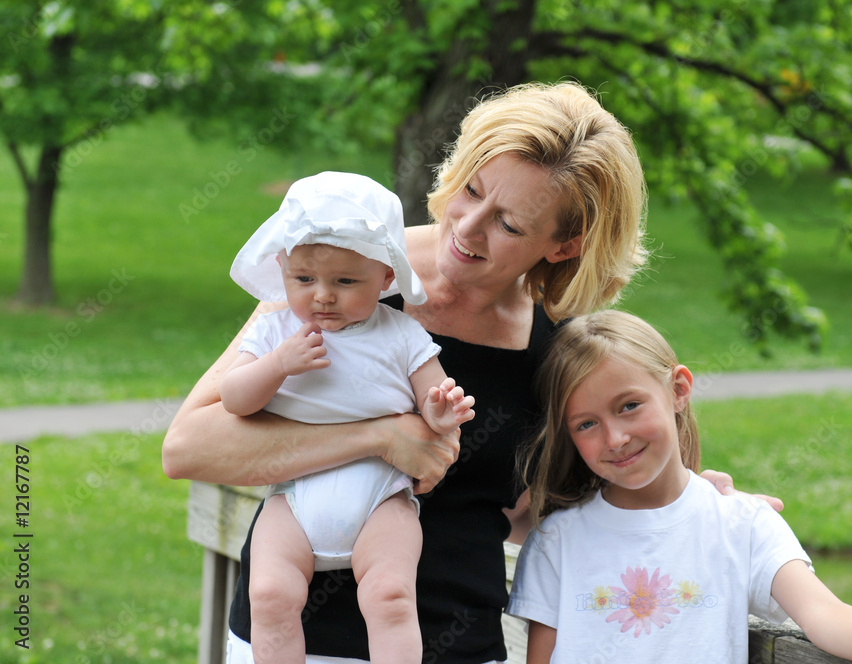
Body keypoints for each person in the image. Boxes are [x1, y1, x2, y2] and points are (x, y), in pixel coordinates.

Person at [162, 81, 753, 664]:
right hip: (290, 639)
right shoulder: (343, 270)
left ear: (564, 246)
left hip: (459, 644)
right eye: (471, 189)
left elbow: (546, 502)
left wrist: (687, 499)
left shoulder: (557, 344)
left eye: (510, 224)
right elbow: (188, 448)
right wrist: (378, 437)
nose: (467, 227)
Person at [506, 309, 852, 664]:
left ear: (678, 390)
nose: (615, 438)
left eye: (629, 405)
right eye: (587, 424)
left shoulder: (744, 525)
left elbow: (822, 612)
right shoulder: (556, 541)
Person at [218, 171, 475, 663]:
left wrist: (442, 413)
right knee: (270, 595)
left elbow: (433, 403)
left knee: (391, 596)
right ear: (281, 267)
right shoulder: (277, 330)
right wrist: (277, 366)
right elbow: (234, 398)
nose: (322, 296)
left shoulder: (400, 334)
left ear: (385, 278)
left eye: (345, 281)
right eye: (304, 279)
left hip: (381, 498)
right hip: (293, 497)